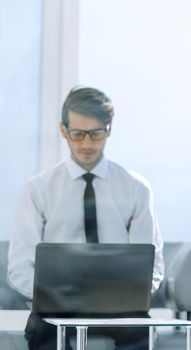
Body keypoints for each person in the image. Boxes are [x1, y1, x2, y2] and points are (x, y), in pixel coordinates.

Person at [7, 86, 165, 350]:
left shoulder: (136, 188)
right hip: (54, 307)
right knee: (43, 333)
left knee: (142, 333)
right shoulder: (38, 189)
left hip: (120, 309)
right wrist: (54, 297)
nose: (87, 144)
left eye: (96, 134)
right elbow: (19, 266)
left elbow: (153, 266)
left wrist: (127, 296)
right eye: (78, 134)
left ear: (109, 130)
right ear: (63, 131)